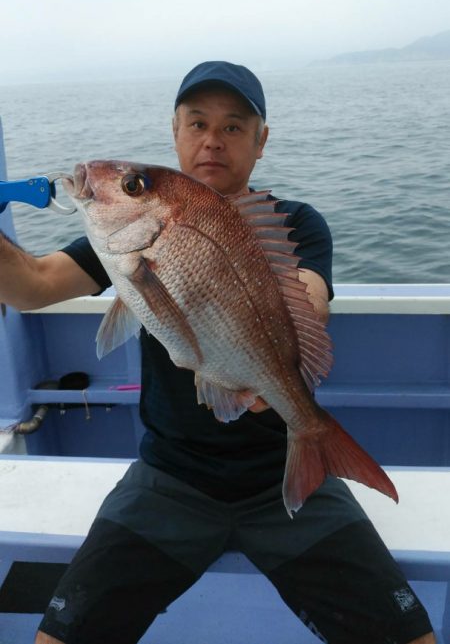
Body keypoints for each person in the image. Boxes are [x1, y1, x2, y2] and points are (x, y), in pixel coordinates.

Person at [0, 61, 435, 644]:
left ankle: (313, 443)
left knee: (411, 637)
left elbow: (309, 295)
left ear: (261, 141)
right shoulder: (131, 228)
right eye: (197, 123)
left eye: (233, 127)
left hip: (277, 474)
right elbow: (29, 285)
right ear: (175, 132)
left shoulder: (295, 223)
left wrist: (268, 360)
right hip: (171, 479)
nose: (212, 140)